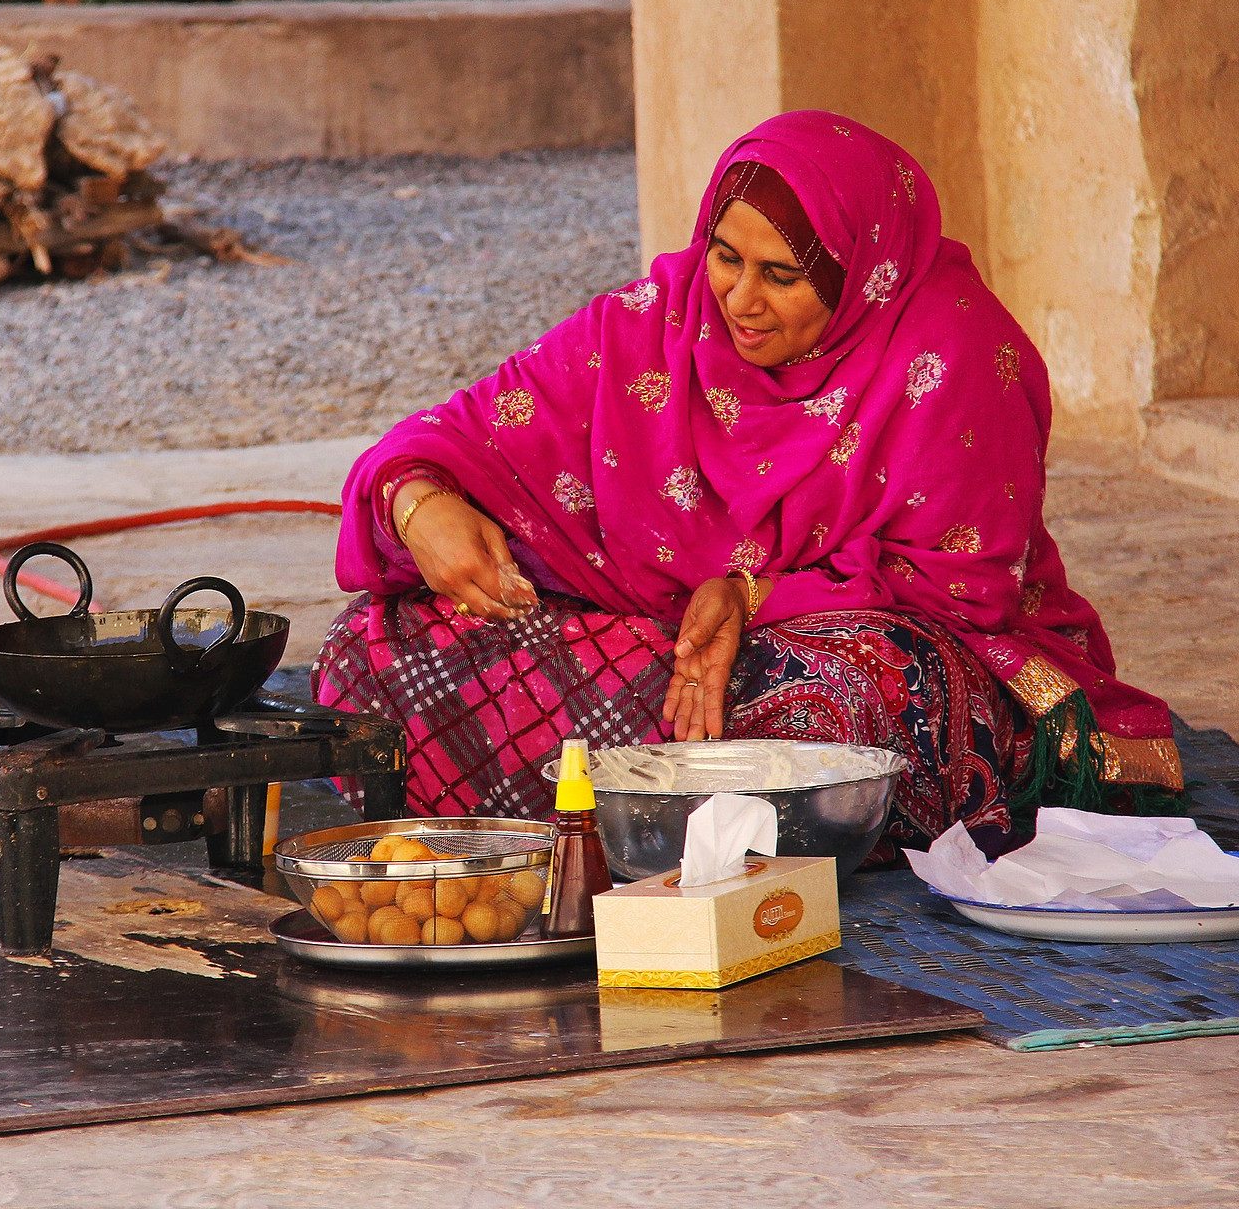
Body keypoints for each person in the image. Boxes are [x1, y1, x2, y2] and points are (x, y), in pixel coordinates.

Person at [313, 110, 1184, 865]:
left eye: (783, 275)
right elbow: (450, 434)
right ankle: (669, 821)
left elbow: (961, 586)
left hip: (838, 650)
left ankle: (610, 812)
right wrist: (420, 505)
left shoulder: (954, 356)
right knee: (371, 649)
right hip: (649, 643)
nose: (739, 300)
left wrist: (754, 595)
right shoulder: (657, 321)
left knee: (832, 709)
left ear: (860, 272)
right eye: (726, 257)